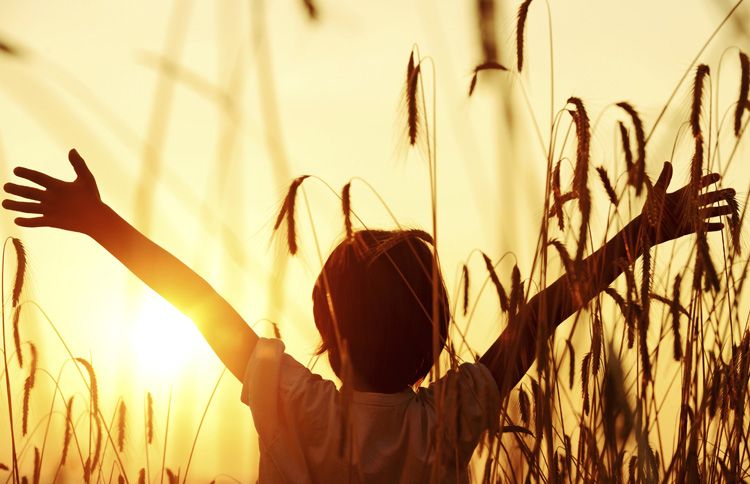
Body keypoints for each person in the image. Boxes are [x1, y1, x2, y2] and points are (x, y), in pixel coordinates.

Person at [2, 149, 734, 483]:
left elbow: (199, 303)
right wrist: (641, 234)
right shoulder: (448, 420)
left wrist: (98, 223)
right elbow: (541, 318)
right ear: (439, 338)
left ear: (330, 336)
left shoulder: (295, 406)